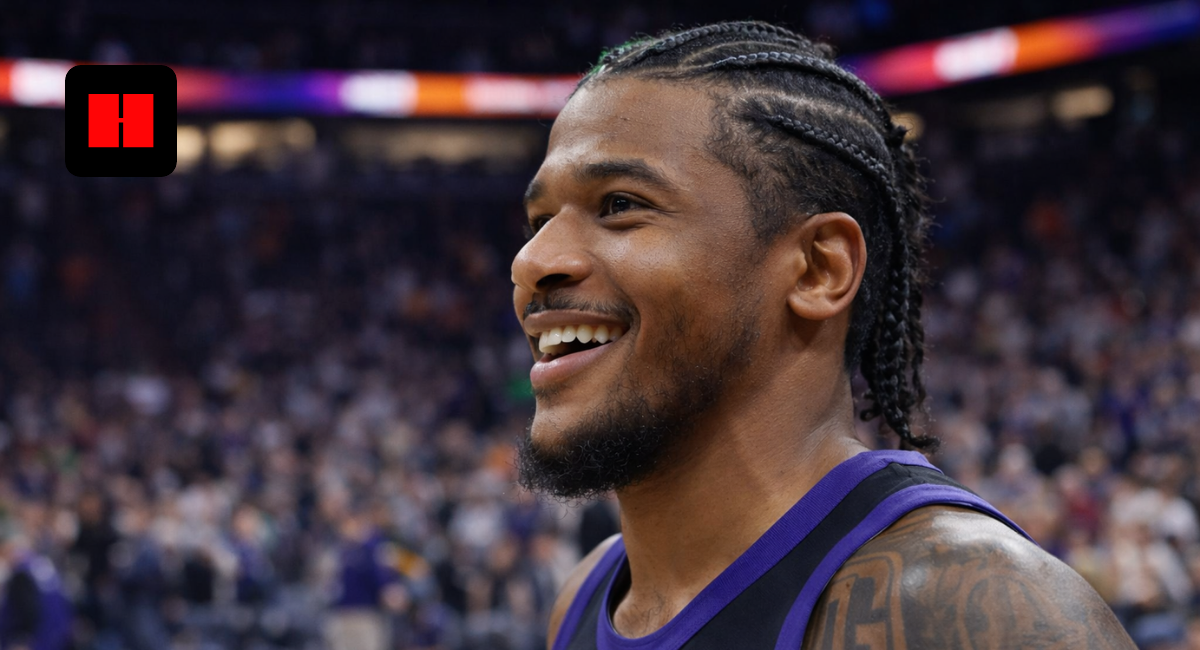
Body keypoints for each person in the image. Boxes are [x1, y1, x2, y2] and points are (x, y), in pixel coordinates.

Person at [510, 20, 1137, 649]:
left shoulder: (969, 607)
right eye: (539, 219)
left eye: (619, 204)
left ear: (818, 269)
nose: (532, 260)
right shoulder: (584, 597)